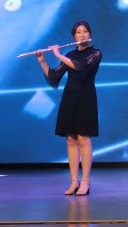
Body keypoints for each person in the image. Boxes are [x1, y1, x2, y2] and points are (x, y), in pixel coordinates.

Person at [36, 21, 102, 196]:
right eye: (78, 32)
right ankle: (74, 181)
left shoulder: (95, 53)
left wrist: (58, 54)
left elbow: (80, 67)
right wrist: (42, 60)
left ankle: (85, 181)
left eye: (85, 31)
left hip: (86, 99)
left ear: (89, 34)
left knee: (83, 138)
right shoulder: (70, 54)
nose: (82, 34)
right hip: (70, 99)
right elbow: (53, 77)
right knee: (71, 139)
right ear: (74, 36)